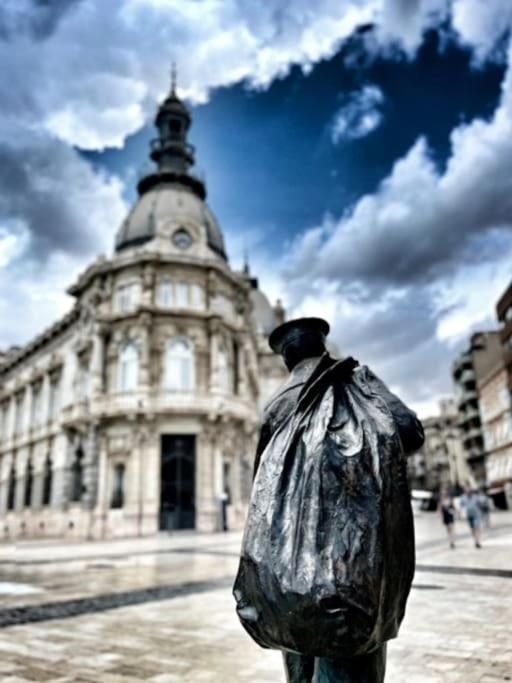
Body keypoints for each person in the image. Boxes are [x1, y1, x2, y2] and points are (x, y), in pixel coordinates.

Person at [252, 318, 424, 683]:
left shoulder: (277, 405)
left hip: (289, 574)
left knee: (300, 668)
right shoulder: (355, 381)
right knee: (352, 667)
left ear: (286, 359)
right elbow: (409, 431)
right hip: (354, 564)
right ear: (323, 347)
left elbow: (261, 493)